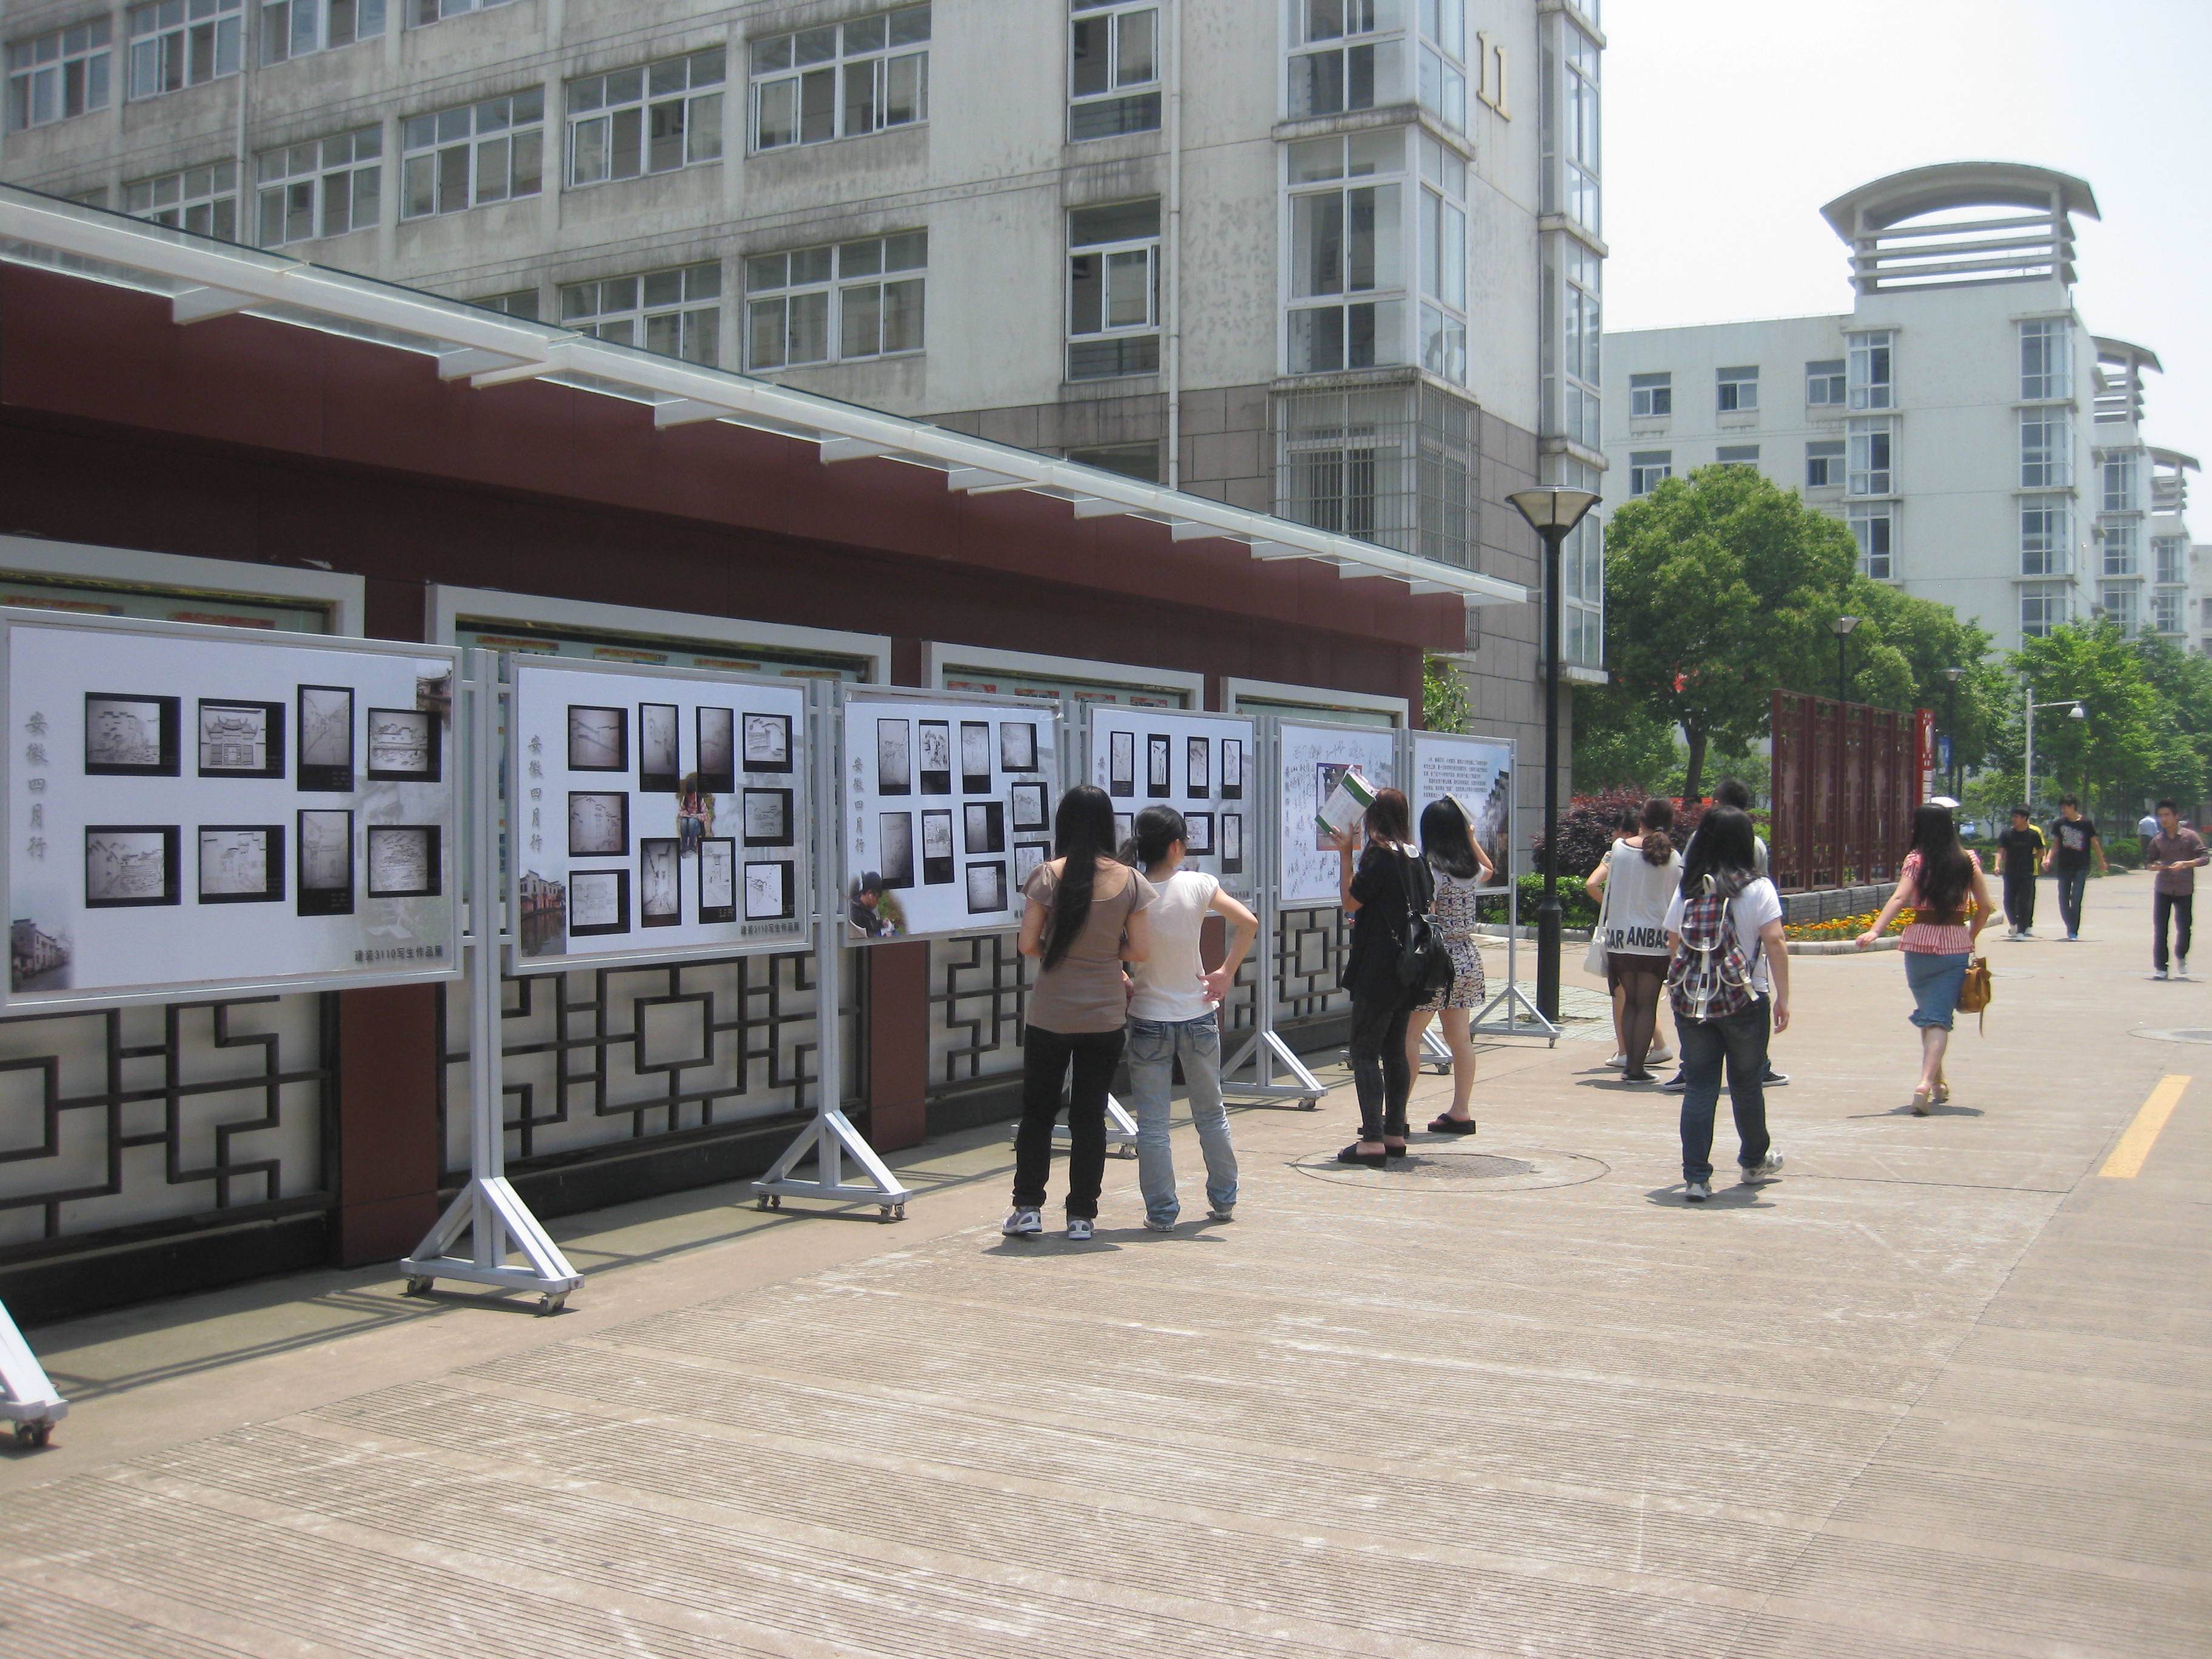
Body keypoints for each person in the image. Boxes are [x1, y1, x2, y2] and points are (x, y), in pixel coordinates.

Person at [1005, 785, 1156, 1241]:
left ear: (1064, 823)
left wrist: (1061, 948)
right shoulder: (1131, 881)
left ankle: (1028, 1208)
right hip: (1105, 1015)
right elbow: (1141, 950)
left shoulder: (1047, 876)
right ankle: (1082, 1217)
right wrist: (1105, 951)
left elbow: (1027, 944)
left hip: (1051, 1012)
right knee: (1089, 1116)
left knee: (1038, 1112)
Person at [1123, 805, 1259, 1228]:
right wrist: (1225, 972)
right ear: (1177, 846)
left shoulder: (1131, 889)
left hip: (1148, 1016)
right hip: (1198, 1015)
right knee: (1211, 1113)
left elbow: (1108, 945)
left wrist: (1124, 979)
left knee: (1153, 1125)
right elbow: (1248, 923)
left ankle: (1162, 1212)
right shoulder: (1199, 884)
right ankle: (1224, 1199)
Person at [1662, 806, 1788, 1202]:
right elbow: (1775, 941)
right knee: (1747, 1085)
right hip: (1745, 998)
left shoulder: (1689, 888)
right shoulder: (1758, 887)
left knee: (1700, 1087)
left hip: (1694, 1003)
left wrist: (1696, 979)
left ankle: (1696, 1178)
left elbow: (1673, 941)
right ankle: (1753, 1162)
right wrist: (1784, 997)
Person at [1857, 803, 1994, 1114]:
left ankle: (1936, 1082)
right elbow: (1985, 907)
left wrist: (1875, 930)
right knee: (1937, 1018)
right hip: (1954, 945)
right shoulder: (1968, 860)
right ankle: (1925, 1083)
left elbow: (1900, 897)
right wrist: (1970, 936)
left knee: (1930, 1015)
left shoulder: (1916, 861)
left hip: (1918, 945)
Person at [1327, 786, 1427, 1164]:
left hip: (1379, 966)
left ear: (1373, 816)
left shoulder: (1378, 854)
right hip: (1410, 967)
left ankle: (1371, 1140)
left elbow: (1351, 901)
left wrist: (1345, 855)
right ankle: (1394, 1132)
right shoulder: (1415, 857)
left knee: (1365, 1051)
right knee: (1395, 1048)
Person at [1404, 797, 1495, 1134]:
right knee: (1460, 1038)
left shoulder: (1431, 869)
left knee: (1409, 1036)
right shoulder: (1469, 869)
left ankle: (1397, 1112)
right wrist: (1471, 839)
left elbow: (1424, 914)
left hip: (1435, 960)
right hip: (1466, 957)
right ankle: (1461, 1111)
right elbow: (1490, 868)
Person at [1583, 797, 1683, 1083]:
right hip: (1655, 941)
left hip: (1620, 939)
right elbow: (1676, 901)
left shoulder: (1619, 849)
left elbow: (1602, 884)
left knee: (1630, 1003)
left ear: (1642, 819)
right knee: (1647, 1005)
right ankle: (1637, 1069)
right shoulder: (1674, 858)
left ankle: (1629, 1064)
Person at [2145, 799, 2207, 980]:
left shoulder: (2190, 837)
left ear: (2176, 816)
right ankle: (2161, 968)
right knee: (2161, 929)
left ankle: (2181, 955)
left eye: (2167, 815)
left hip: (2184, 889)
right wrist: (2153, 866)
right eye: (2160, 816)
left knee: (2184, 927)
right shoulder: (2158, 840)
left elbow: (2205, 857)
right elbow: (2149, 862)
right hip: (2163, 888)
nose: (2164, 819)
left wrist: (2186, 864)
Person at [2042, 795, 2105, 940]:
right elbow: (2056, 844)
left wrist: (2102, 861)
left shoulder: (2086, 823)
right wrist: (2048, 858)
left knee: (2076, 898)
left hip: (2081, 865)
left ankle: (2073, 931)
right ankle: (2070, 925)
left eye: (2066, 807)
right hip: (2064, 865)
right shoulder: (2059, 823)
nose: (2063, 810)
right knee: (2063, 899)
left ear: (2073, 807)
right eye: (2062, 807)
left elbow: (2094, 843)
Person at [1995, 806, 2046, 939]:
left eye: (2016, 817)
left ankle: (2021, 931)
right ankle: (2014, 923)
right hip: (2010, 872)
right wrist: (1997, 865)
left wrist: (2031, 857)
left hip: (2027, 873)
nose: (2013, 819)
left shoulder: (2033, 835)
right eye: (2013, 816)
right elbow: (2001, 851)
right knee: (2009, 901)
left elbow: (2041, 852)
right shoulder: (2007, 834)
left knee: (2024, 902)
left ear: (2024, 818)